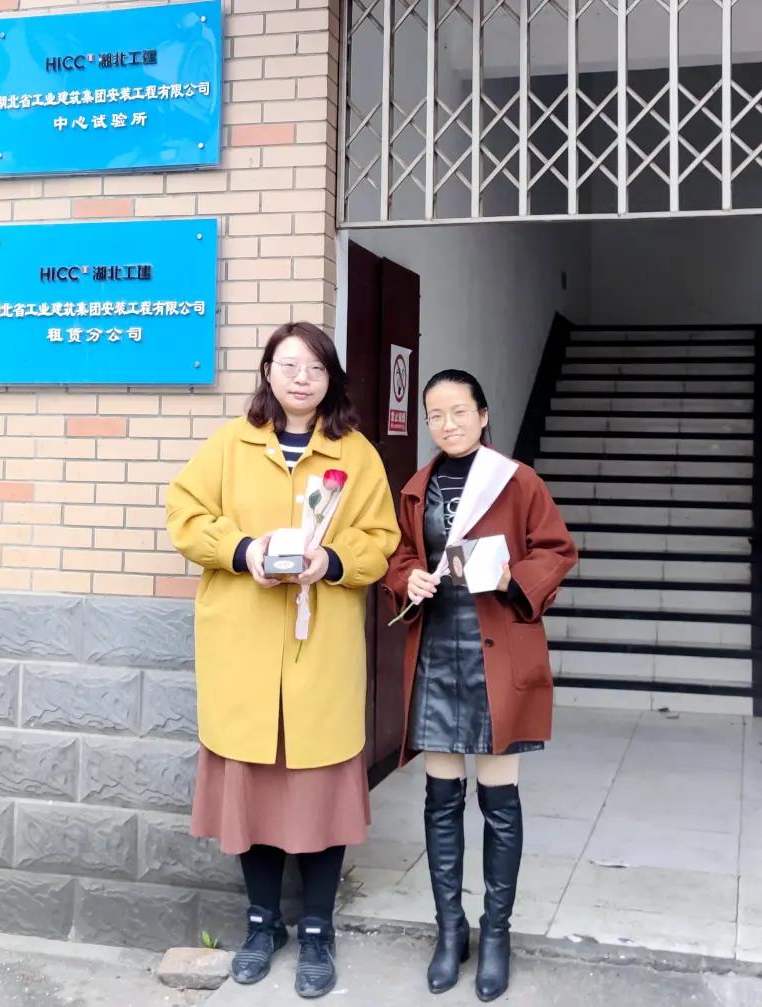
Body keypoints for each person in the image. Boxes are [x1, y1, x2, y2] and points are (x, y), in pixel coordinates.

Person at [166, 321, 401, 999]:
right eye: (289, 364)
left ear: (332, 379)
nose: (302, 377)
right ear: (268, 371)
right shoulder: (230, 445)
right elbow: (185, 516)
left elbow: (381, 538)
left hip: (318, 647)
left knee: (320, 790)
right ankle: (262, 923)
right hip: (242, 644)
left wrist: (334, 561)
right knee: (254, 792)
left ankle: (318, 929)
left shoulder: (355, 454)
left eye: (316, 367)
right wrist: (245, 551)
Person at [383, 369, 577, 1002]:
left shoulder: (516, 481)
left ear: (483, 414)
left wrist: (512, 576)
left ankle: (496, 934)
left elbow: (556, 550)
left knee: (499, 802)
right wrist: (406, 579)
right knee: (441, 799)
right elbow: (398, 557)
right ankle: (450, 932)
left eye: (459, 411)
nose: (447, 424)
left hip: (499, 655)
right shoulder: (418, 488)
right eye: (435, 415)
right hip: (437, 652)